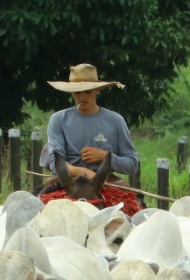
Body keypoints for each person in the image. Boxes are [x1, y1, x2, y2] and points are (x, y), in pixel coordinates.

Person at [39, 63, 143, 215]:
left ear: (97, 90)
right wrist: (82, 171)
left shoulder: (115, 121)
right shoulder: (58, 119)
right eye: (77, 93)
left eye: (88, 92)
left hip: (105, 182)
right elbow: (55, 161)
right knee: (38, 213)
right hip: (67, 182)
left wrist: (104, 157)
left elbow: (132, 165)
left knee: (133, 213)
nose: (82, 97)